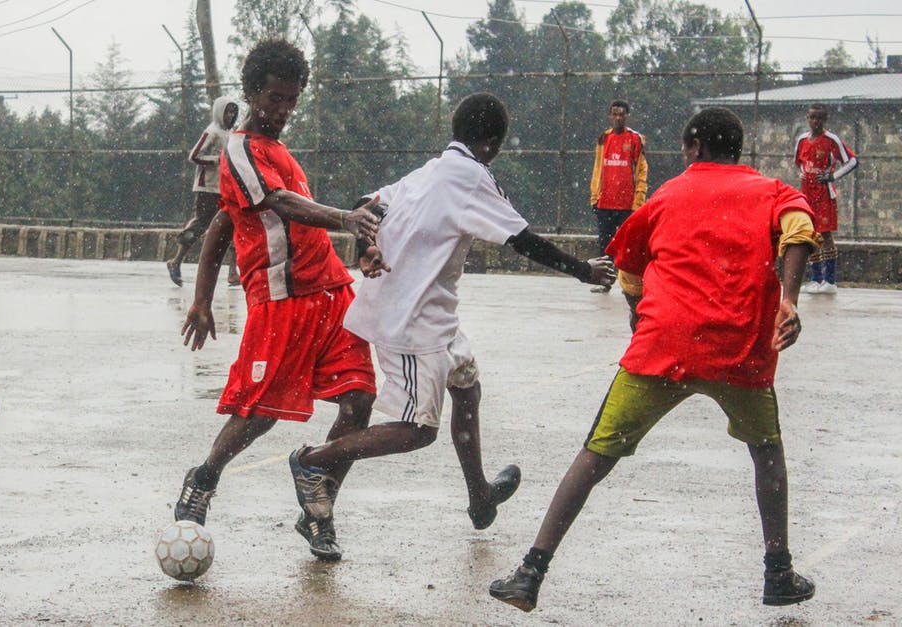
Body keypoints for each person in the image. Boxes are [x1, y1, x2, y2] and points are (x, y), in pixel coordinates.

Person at [489, 107, 820, 612]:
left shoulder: (667, 194)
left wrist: (637, 311)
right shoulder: (771, 191)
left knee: (595, 455)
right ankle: (778, 571)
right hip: (740, 351)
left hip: (664, 345)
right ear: (737, 148)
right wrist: (789, 299)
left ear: (695, 148)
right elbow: (799, 230)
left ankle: (531, 571)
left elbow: (628, 260)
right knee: (766, 452)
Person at [286, 94, 615, 544]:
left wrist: (366, 248)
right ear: (494, 144)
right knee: (417, 430)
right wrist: (584, 270)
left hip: (433, 312)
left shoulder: (432, 170)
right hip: (411, 319)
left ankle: (480, 496)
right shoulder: (472, 177)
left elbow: (368, 204)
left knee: (467, 386)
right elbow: (522, 240)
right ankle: (312, 460)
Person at [175, 38, 382, 562]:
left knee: (359, 400)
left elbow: (227, 221)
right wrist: (343, 217)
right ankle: (204, 477)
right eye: (274, 98)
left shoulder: (281, 153)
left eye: (292, 99)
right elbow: (266, 206)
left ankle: (318, 504)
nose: (283, 110)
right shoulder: (240, 149)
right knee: (259, 412)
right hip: (282, 299)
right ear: (251, 93)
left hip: (333, 294)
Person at [167, 96, 242, 288]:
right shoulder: (212, 132)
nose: (231, 115)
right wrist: (216, 160)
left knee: (233, 225)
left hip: (225, 187)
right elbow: (194, 155)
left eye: (233, 112)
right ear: (219, 112)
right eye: (227, 111)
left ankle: (233, 272)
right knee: (200, 224)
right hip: (207, 187)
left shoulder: (232, 133)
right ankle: (176, 261)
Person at [795, 103, 858, 294]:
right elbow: (798, 163)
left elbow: (852, 161)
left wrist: (833, 176)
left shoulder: (831, 140)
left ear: (824, 120)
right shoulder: (802, 140)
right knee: (810, 233)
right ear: (807, 118)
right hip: (807, 193)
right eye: (812, 117)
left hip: (824, 193)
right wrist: (801, 173)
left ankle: (830, 281)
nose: (815, 121)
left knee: (826, 234)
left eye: (819, 118)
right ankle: (816, 279)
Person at [588, 99, 647, 293]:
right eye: (615, 114)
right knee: (605, 245)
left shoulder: (635, 139)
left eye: (622, 114)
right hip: (605, 202)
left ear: (627, 116)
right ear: (610, 116)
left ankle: (629, 285)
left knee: (627, 246)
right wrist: (595, 196)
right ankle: (605, 281)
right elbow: (598, 168)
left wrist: (638, 201)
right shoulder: (603, 138)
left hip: (627, 204)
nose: (618, 117)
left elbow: (641, 171)